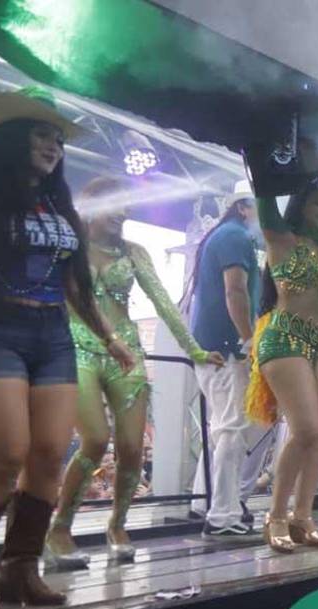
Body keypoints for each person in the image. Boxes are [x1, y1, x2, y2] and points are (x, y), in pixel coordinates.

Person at [0, 87, 135, 609]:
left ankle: (19, 569)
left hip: (53, 337)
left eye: (59, 139)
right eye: (43, 134)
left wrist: (108, 337)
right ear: (13, 137)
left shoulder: (59, 205)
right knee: (4, 454)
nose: (54, 146)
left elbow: (77, 286)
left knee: (49, 453)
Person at [44, 178, 223, 565]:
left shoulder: (136, 253)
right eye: (115, 205)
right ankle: (59, 527)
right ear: (91, 206)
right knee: (93, 439)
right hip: (78, 349)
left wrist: (195, 350)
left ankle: (118, 524)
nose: (123, 213)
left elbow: (165, 304)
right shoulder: (68, 248)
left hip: (129, 356)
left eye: (127, 206)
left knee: (131, 448)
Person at [247, 175, 318, 553]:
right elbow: (265, 195)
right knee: (307, 428)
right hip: (283, 340)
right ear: (300, 205)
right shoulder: (281, 239)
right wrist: (272, 163)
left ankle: (303, 516)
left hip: (316, 345)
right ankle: (275, 515)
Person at [185, 183, 264, 536]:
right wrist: (248, 339)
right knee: (231, 428)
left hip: (214, 345)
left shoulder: (224, 235)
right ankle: (222, 515)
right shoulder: (236, 238)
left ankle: (207, 504)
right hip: (227, 347)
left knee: (223, 427)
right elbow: (236, 290)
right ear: (246, 208)